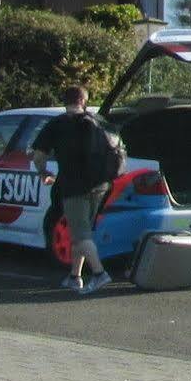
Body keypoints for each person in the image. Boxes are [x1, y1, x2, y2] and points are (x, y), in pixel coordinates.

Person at [29, 84, 118, 295]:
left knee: (80, 233)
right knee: (81, 232)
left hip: (74, 186)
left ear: (64, 101)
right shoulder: (99, 122)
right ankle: (74, 276)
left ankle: (99, 274)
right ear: (84, 101)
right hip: (101, 185)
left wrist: (43, 172)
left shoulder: (57, 124)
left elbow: (39, 155)